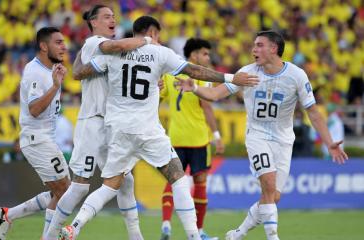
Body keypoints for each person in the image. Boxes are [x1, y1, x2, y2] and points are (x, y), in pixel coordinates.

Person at [59, 15, 258, 240]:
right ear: (151, 33)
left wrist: (79, 55)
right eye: (158, 34)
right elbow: (195, 71)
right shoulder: (160, 53)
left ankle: (75, 226)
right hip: (148, 130)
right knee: (179, 179)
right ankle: (193, 236)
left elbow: (79, 74)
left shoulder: (112, 54)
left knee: (110, 186)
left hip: (118, 130)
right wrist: (231, 77)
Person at [177, 30, 348, 240]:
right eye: (254, 45)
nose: (253, 49)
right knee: (268, 183)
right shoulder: (247, 73)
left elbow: (312, 112)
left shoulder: (296, 76)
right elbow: (214, 94)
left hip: (284, 140)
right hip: (257, 136)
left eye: (259, 45)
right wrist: (194, 87)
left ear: (273, 49)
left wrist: (329, 142)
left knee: (272, 197)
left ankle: (238, 233)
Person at [44, 5, 152, 240]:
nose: (112, 19)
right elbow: (115, 46)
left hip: (110, 125)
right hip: (92, 123)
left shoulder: (107, 52)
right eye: (106, 17)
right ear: (93, 22)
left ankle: (136, 237)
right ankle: (50, 236)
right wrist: (146, 40)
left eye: (114, 16)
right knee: (80, 185)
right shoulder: (95, 42)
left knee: (125, 180)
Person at [0, 27, 70, 240]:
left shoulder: (50, 70)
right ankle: (48, 237)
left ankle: (7, 215)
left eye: (64, 42)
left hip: (45, 139)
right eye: (58, 42)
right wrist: (55, 87)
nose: (64, 46)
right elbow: (34, 110)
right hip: (37, 140)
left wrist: (56, 83)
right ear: (44, 46)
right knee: (66, 192)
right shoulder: (34, 70)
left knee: (63, 191)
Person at [159, 38, 223, 240]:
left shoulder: (169, 74)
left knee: (173, 180)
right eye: (204, 53)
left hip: (175, 138)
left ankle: (166, 223)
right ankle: (200, 232)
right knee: (200, 185)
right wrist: (217, 136)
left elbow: (158, 97)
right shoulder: (202, 79)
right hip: (198, 140)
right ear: (193, 55)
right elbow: (208, 108)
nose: (207, 57)